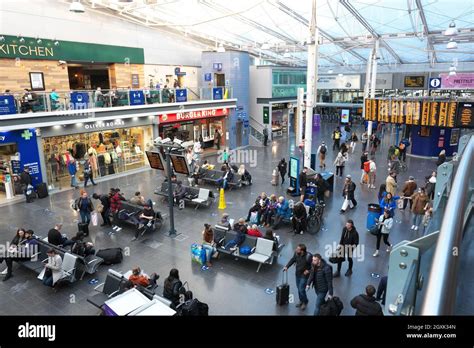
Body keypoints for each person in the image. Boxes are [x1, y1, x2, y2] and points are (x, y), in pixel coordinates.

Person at [283, 244, 312, 311]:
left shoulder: (309, 256)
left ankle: (305, 301)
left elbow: (313, 266)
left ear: (302, 251)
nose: (296, 250)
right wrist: (287, 266)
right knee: (299, 288)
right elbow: (293, 259)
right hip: (298, 274)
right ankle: (301, 300)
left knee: (301, 289)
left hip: (304, 276)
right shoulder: (296, 253)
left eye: (298, 249)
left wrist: (308, 270)